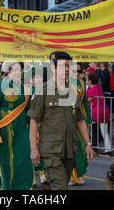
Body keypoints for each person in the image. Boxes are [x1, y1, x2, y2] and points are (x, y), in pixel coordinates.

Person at [28, 51, 94, 190]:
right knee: (60, 188)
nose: (66, 69)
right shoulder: (43, 91)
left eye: (68, 66)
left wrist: (88, 143)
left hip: (69, 150)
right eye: (63, 66)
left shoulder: (72, 92)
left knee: (61, 186)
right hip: (51, 151)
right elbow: (34, 121)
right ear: (53, 68)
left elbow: (80, 120)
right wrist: (33, 148)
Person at [0, 61, 33, 190]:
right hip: (3, 128)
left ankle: (22, 186)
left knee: (23, 157)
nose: (19, 73)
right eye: (15, 70)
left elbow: (28, 111)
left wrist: (32, 130)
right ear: (8, 73)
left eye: (20, 70)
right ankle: (5, 185)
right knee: (5, 157)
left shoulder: (25, 90)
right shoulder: (0, 87)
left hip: (21, 129)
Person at [25, 65, 49, 190]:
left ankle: (43, 176)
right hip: (31, 124)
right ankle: (32, 179)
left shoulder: (44, 90)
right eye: (35, 77)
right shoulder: (27, 91)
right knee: (32, 151)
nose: (38, 79)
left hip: (42, 125)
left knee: (41, 150)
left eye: (40, 77)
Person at [86, 72, 111, 154]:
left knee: (88, 129)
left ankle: (90, 146)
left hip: (95, 112)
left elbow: (87, 100)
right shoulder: (98, 87)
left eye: (87, 79)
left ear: (90, 81)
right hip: (104, 111)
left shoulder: (90, 90)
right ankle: (108, 148)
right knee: (105, 132)